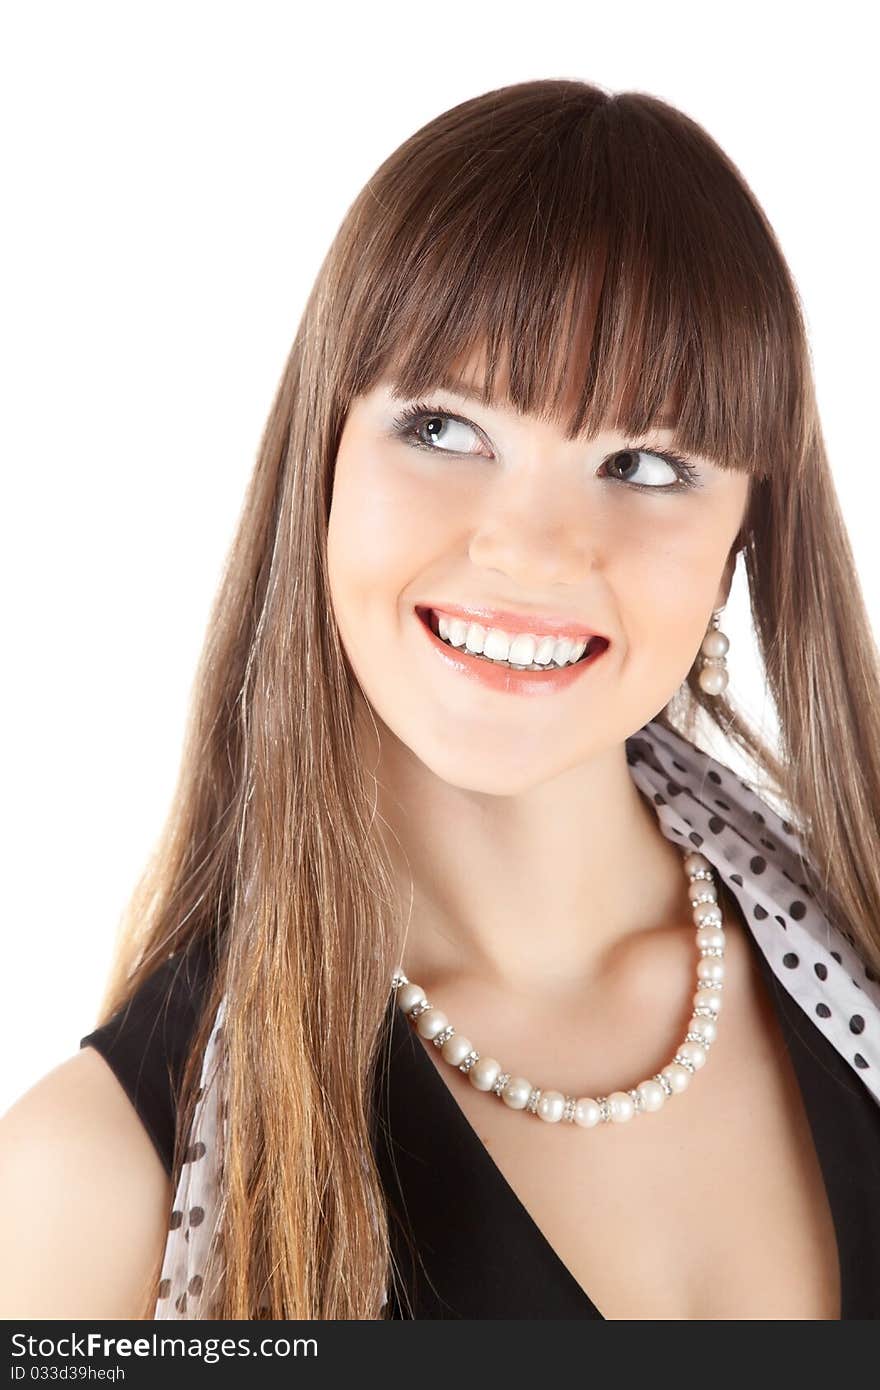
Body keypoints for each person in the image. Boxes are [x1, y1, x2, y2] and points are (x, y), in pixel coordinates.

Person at [2, 77, 879, 1322]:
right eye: (445, 427)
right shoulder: (88, 1192)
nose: (532, 549)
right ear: (323, 459)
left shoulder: (859, 972)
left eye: (643, 462)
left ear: (750, 527)